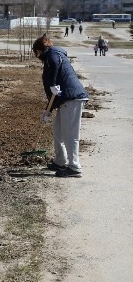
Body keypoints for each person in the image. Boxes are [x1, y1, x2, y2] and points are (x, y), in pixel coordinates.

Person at [32, 35, 89, 178]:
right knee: (58, 132)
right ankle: (60, 160)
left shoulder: (53, 55)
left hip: (72, 98)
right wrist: (48, 110)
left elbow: (54, 69)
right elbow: (53, 89)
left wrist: (52, 84)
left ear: (39, 51)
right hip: (64, 99)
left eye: (35, 53)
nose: (36, 56)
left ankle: (74, 167)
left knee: (70, 134)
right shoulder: (52, 55)